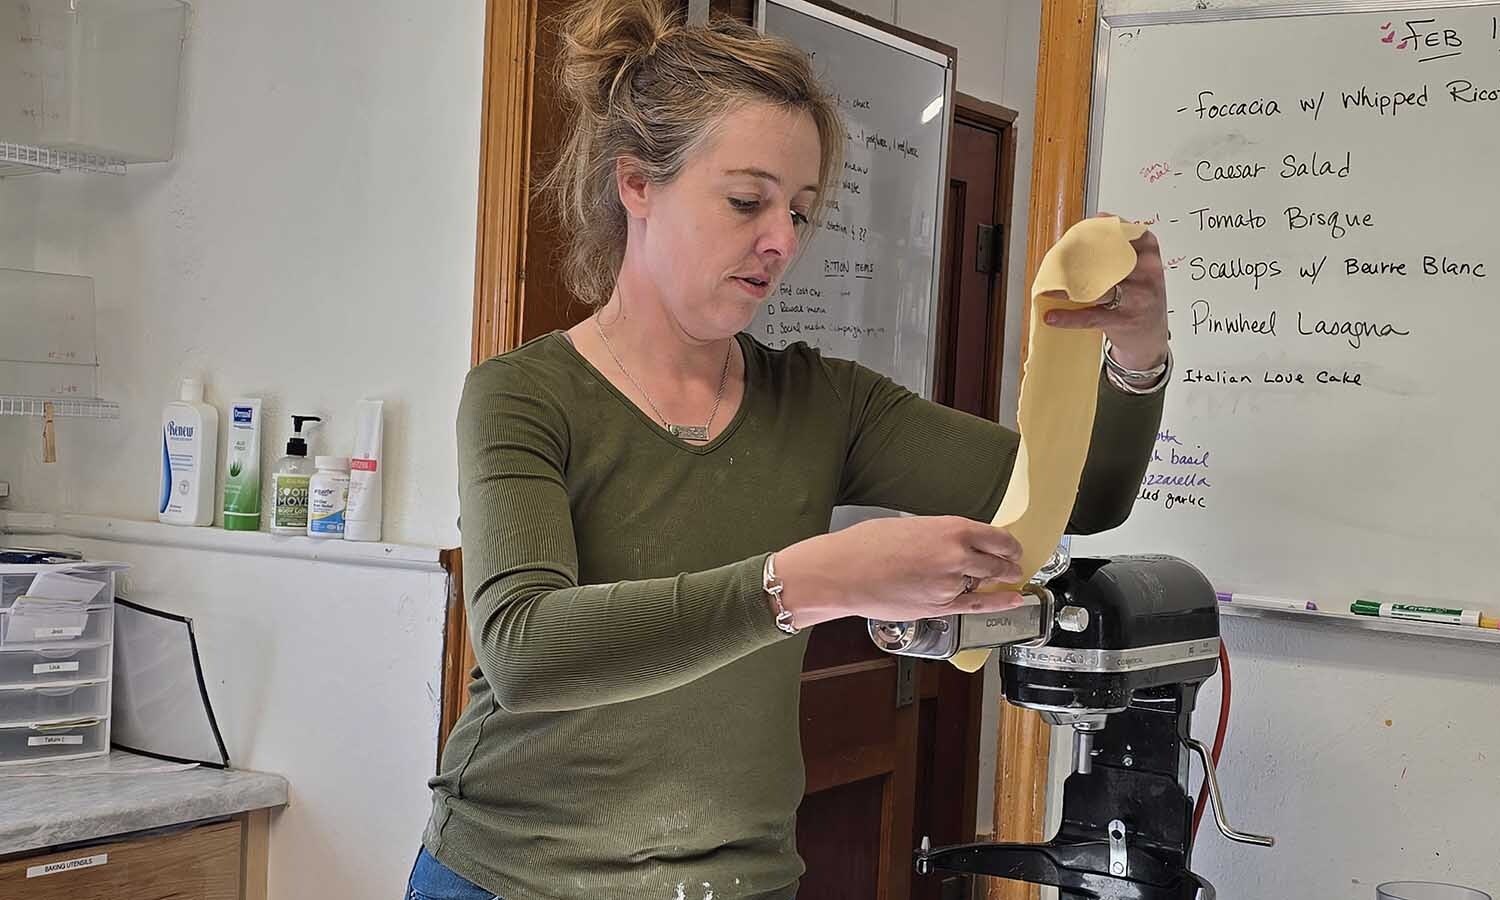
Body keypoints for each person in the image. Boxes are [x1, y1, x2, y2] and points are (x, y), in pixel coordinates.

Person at [410, 2, 1172, 898]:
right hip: (511, 879)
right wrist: (812, 582)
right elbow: (528, 650)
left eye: (801, 212)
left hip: (742, 882)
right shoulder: (523, 395)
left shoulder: (824, 402)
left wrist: (1136, 354)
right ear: (636, 185)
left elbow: (1080, 497)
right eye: (746, 201)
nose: (780, 240)